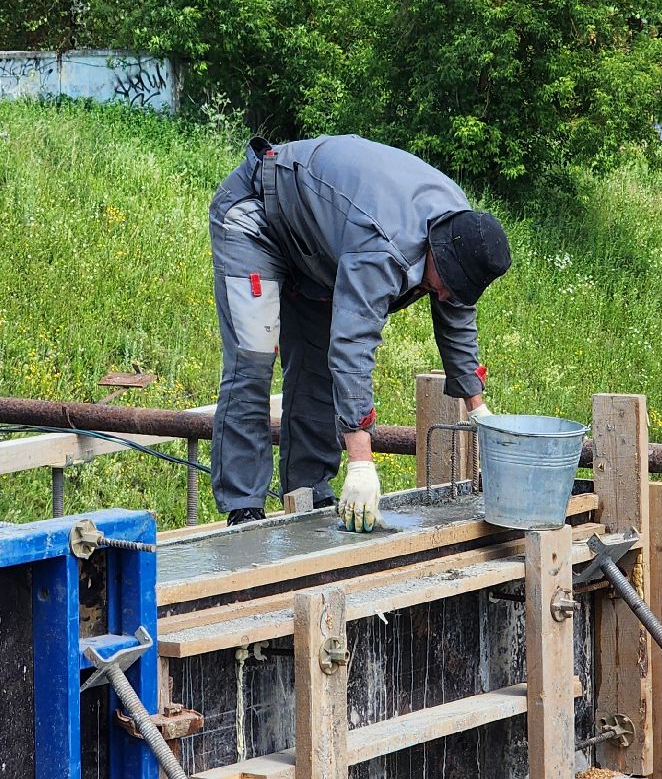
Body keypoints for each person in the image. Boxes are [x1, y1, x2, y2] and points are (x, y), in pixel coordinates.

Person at [207, 134, 512, 532]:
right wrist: (362, 463)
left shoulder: (460, 231)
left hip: (319, 246)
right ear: (436, 253)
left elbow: (456, 318)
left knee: (316, 370)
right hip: (258, 215)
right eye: (444, 286)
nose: (442, 296)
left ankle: (308, 496)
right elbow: (352, 347)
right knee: (252, 362)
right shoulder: (382, 247)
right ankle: (244, 510)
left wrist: (478, 411)